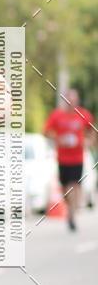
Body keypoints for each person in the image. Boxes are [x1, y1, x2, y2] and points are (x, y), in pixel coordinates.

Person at [44, 89, 95, 230]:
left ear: (77, 101)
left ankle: (72, 216)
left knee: (74, 185)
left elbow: (92, 132)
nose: (71, 103)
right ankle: (71, 209)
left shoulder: (84, 115)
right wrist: (59, 139)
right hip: (62, 158)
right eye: (68, 100)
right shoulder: (57, 115)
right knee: (65, 188)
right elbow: (46, 132)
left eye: (74, 100)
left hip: (77, 158)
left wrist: (87, 142)